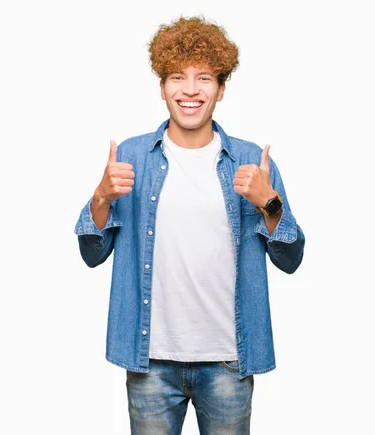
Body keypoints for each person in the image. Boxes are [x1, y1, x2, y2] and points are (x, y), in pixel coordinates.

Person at [74, 15, 305, 434]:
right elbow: (92, 253)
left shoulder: (252, 162)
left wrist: (268, 202)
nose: (191, 90)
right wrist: (101, 197)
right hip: (151, 363)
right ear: (162, 87)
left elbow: (290, 259)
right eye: (178, 77)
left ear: (221, 88)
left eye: (205, 78)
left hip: (228, 363)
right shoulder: (132, 156)